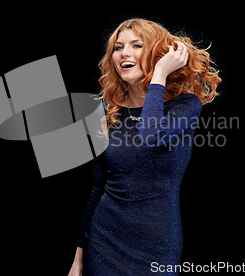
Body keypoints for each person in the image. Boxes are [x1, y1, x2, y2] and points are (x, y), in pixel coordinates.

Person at [68, 18, 221, 276]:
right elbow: (97, 186)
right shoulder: (106, 113)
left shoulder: (185, 105)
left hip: (157, 245)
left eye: (137, 45)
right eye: (118, 47)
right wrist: (78, 257)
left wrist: (159, 75)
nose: (124, 53)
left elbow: (151, 135)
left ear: (158, 54)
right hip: (103, 240)